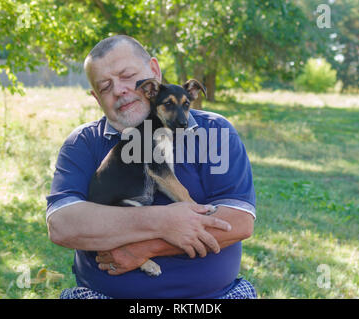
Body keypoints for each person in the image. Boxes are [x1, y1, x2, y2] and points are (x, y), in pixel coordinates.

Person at [46, 35, 257, 299]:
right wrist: (163, 221)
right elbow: (62, 226)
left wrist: (146, 247)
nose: (120, 90)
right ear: (97, 98)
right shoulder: (83, 143)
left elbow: (238, 223)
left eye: (127, 76)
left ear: (154, 72)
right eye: (105, 86)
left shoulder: (215, 132)